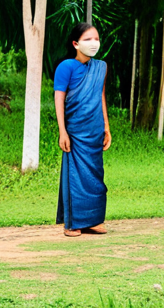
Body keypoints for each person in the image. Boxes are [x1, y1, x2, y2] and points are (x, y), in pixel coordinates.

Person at [54, 23, 111, 237]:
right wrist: (62, 131)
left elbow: (100, 96)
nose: (93, 43)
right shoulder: (66, 67)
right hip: (75, 132)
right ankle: (72, 223)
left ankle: (93, 220)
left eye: (96, 38)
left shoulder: (101, 67)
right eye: (88, 39)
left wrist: (106, 126)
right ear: (76, 44)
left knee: (95, 177)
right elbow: (59, 99)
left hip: (95, 130)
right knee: (75, 178)